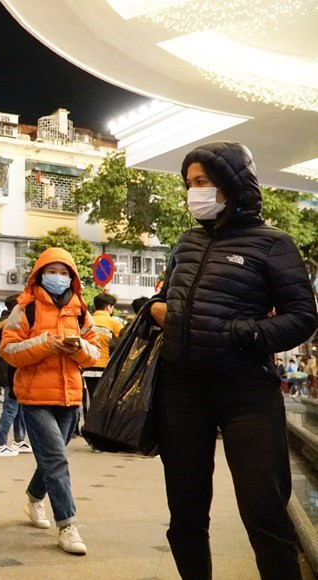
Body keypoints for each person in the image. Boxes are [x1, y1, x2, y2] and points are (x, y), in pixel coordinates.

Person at [150, 142, 318, 579]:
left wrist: (239, 333)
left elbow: (303, 318)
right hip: (181, 391)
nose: (194, 192)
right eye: (190, 184)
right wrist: (154, 310)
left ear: (231, 183)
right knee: (185, 517)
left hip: (246, 391)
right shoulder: (186, 243)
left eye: (202, 183)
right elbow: (170, 299)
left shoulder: (273, 244)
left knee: (265, 514)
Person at [0, 247, 101, 555]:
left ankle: (33, 498)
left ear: (72, 277)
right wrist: (46, 344)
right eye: (51, 271)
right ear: (39, 274)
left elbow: (96, 351)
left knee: (50, 458)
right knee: (57, 458)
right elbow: (9, 350)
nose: (57, 277)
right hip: (34, 397)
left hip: (70, 396)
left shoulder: (80, 309)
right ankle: (67, 525)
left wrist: (77, 347)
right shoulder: (25, 307)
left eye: (63, 272)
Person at [0, 294, 31, 457]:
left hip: (11, 369)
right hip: (10, 370)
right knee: (11, 408)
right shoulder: (12, 323)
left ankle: (19, 441)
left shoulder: (4, 322)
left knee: (18, 407)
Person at [80, 293, 123, 449]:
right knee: (104, 404)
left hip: (88, 368)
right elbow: (124, 341)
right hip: (106, 370)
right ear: (108, 307)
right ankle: (101, 436)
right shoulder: (113, 322)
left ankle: (91, 436)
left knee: (91, 403)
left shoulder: (88, 320)